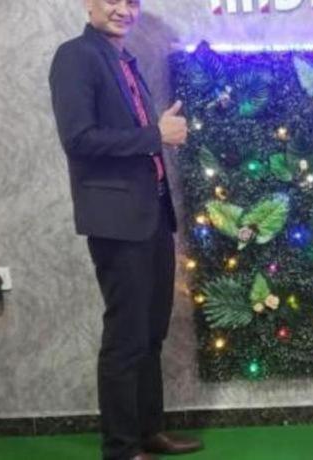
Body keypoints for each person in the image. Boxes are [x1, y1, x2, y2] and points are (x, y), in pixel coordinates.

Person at [49, 1, 203, 459]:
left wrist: (158, 134)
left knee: (151, 334)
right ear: (89, 3)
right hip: (117, 222)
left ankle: (149, 432)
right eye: (112, 0)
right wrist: (157, 135)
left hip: (151, 215)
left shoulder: (124, 60)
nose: (123, 9)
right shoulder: (76, 56)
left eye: (132, 1)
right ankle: (120, 448)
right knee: (126, 339)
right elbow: (78, 139)